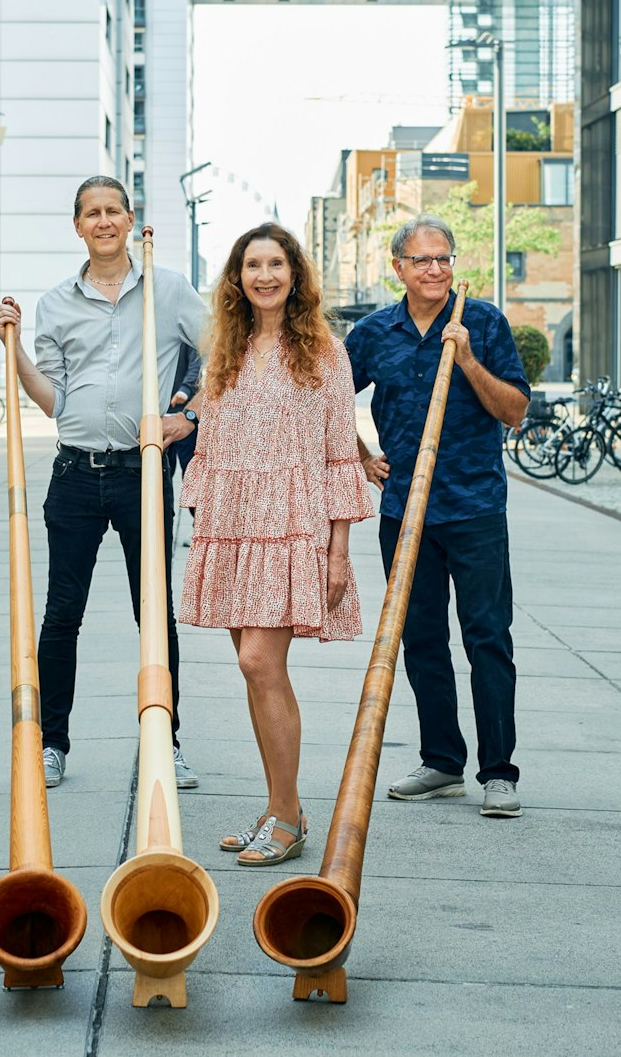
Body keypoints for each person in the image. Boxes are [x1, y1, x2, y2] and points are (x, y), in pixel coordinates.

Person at [0, 176, 203, 791]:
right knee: (62, 614)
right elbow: (52, 401)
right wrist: (12, 348)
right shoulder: (56, 303)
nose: (104, 221)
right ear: (78, 226)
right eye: (92, 213)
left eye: (113, 210)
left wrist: (190, 415)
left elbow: (224, 354)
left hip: (143, 472)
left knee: (154, 614)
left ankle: (166, 742)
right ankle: (51, 744)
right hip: (74, 475)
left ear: (131, 219)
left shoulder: (168, 288)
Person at [177, 223, 375, 865]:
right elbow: (209, 442)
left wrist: (338, 551)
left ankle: (287, 817)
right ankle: (276, 807)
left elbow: (340, 453)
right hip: (233, 526)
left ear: (295, 275)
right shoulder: (224, 351)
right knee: (254, 671)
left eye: (276, 264)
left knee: (260, 664)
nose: (264, 276)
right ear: (237, 278)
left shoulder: (325, 352)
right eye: (252, 265)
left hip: (294, 526)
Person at [344, 214, 530, 820]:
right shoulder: (375, 332)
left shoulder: (484, 322)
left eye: (443, 258)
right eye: (422, 260)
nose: (435, 269)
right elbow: (326, 401)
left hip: (475, 508)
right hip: (405, 511)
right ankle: (443, 762)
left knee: (487, 639)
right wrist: (361, 455)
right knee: (421, 639)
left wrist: (469, 359)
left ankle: (498, 772)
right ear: (398, 267)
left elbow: (515, 411)